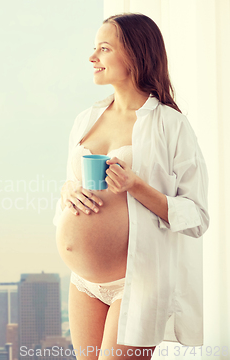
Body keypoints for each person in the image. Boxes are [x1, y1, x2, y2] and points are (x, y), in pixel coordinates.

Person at [53, 13, 209, 360]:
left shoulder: (170, 124)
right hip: (83, 282)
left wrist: (136, 186)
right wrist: (67, 192)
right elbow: (70, 187)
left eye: (104, 49)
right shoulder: (86, 119)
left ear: (135, 55)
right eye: (94, 48)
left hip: (138, 281)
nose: (92, 58)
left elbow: (197, 217)